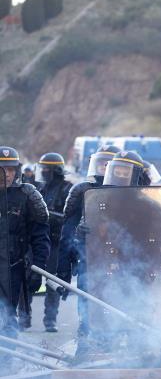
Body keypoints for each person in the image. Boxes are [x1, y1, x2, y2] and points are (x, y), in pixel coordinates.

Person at [57, 144, 121, 338]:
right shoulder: (81, 191)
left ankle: (116, 339)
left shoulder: (127, 191)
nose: (104, 168)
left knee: (119, 301)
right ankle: (86, 339)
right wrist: (63, 272)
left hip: (120, 259)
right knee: (87, 305)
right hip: (88, 258)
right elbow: (67, 232)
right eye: (101, 163)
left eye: (109, 164)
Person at [0, 147, 50, 338]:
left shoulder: (26, 195)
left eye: (10, 169)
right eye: (2, 169)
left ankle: (8, 354)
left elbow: (40, 236)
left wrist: (38, 268)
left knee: (8, 316)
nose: (7, 174)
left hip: (13, 268)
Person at [29, 153, 72, 332]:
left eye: (47, 169)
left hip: (56, 241)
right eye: (42, 168)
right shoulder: (37, 188)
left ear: (57, 170)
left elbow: (69, 217)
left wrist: (50, 217)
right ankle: (24, 317)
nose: (44, 172)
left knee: (53, 281)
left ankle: (50, 320)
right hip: (37, 239)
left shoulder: (68, 189)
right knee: (28, 275)